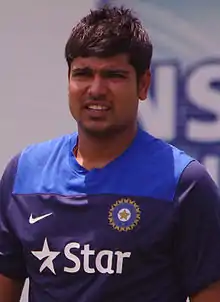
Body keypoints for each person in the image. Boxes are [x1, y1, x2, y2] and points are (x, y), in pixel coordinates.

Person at [0, 5, 220, 302]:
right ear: (68, 80)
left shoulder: (184, 183)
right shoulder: (24, 172)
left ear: (143, 84)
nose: (96, 89)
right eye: (83, 74)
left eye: (113, 75)